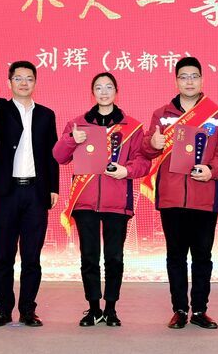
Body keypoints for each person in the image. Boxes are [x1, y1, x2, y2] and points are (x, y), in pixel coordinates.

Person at [141, 56, 218, 329]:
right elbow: (147, 149)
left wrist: (212, 169)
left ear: (202, 79)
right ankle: (180, 309)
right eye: (184, 77)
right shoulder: (162, 114)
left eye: (194, 76)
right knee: (176, 256)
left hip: (204, 196)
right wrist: (153, 143)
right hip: (171, 196)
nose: (189, 81)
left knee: (202, 257)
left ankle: (200, 310)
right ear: (176, 81)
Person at [53, 72, 150, 327]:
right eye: (99, 87)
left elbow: (143, 162)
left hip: (117, 202)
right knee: (89, 257)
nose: (104, 92)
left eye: (109, 87)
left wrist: (126, 170)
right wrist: (72, 140)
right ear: (92, 92)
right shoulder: (78, 124)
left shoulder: (132, 127)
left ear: (116, 91)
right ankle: (94, 308)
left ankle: (111, 308)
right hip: (84, 201)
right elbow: (59, 156)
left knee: (114, 258)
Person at [0, 61, 59, 327]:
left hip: (36, 193)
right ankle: (3, 310)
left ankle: (28, 310)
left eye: (29, 78)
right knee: (3, 255)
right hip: (6, 192)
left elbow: (51, 154)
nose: (24, 83)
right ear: (9, 83)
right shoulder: (2, 109)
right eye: (18, 78)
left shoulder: (46, 115)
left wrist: (53, 188)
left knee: (31, 257)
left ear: (35, 82)